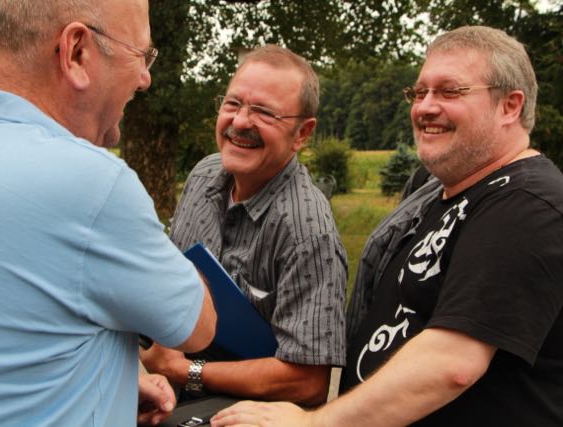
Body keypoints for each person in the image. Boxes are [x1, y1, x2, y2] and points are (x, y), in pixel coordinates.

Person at [211, 25, 563, 427]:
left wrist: (313, 424)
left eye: (450, 92)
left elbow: (451, 363)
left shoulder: (529, 204)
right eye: (419, 92)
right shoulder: (443, 192)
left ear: (510, 107)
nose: (424, 107)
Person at [0, 1, 217, 426]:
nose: (145, 78)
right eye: (140, 55)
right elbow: (197, 327)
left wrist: (108, 380)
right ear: (76, 51)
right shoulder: (93, 185)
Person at [141, 45, 348, 406]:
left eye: (264, 112)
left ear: (302, 133)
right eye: (233, 103)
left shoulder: (309, 232)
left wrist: (184, 370)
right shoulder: (204, 174)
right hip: (168, 396)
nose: (239, 122)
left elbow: (308, 382)